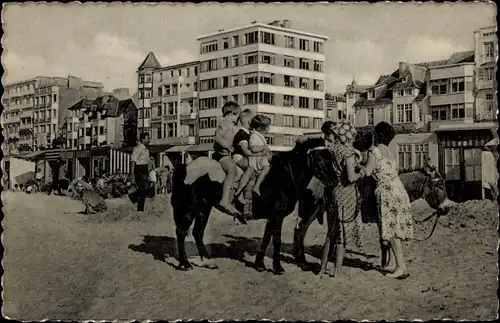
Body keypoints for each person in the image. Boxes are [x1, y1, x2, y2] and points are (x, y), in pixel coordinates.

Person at [361, 121, 413, 280]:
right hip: (399, 189)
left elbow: (368, 172)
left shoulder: (373, 151)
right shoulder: (390, 151)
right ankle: (393, 264)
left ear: (377, 135)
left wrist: (357, 166)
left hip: (387, 192)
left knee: (392, 231)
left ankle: (401, 267)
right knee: (395, 229)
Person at [319, 120, 365, 278]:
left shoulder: (332, 149)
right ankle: (337, 271)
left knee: (330, 233)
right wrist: (362, 173)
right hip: (346, 194)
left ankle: (322, 269)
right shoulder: (348, 153)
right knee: (342, 236)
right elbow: (351, 177)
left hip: (334, 192)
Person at [212, 101, 241, 216]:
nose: (238, 117)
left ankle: (231, 196)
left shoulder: (232, 126)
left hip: (226, 154)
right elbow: (218, 138)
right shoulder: (225, 123)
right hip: (221, 155)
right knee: (232, 169)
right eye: (237, 114)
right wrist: (228, 146)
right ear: (231, 114)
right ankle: (224, 200)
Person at [232, 109, 256, 203]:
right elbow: (246, 151)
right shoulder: (242, 134)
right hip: (238, 157)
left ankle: (240, 192)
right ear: (250, 122)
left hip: (241, 157)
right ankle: (239, 190)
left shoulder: (247, 134)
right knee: (251, 167)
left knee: (245, 173)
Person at [245, 114, 272, 196]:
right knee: (266, 168)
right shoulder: (254, 136)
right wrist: (263, 147)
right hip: (257, 158)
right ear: (262, 128)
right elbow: (253, 148)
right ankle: (256, 186)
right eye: (268, 127)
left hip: (261, 158)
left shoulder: (260, 136)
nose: (269, 129)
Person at [129, 132, 151, 212]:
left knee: (145, 189)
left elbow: (146, 162)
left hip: (144, 170)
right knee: (144, 188)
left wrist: (148, 174)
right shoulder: (138, 149)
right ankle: (140, 209)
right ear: (142, 139)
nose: (149, 140)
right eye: (147, 138)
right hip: (139, 170)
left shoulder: (146, 150)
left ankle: (133, 197)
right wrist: (132, 175)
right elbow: (133, 162)